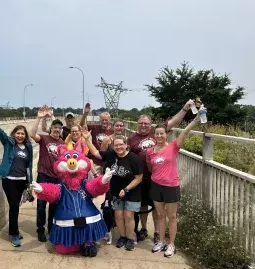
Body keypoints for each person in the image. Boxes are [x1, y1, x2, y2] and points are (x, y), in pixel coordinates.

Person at [128, 99, 195, 243]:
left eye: (146, 123)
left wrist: (184, 108)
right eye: (141, 123)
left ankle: (158, 232)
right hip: (141, 178)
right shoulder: (131, 139)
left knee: (156, 207)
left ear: (150, 124)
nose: (144, 125)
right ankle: (144, 228)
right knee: (143, 205)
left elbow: (174, 121)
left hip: (156, 178)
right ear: (137, 125)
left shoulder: (157, 132)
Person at [148, 113, 203, 257]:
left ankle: (171, 244)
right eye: (157, 134)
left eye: (162, 133)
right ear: (153, 135)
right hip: (156, 185)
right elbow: (150, 167)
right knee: (160, 215)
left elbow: (185, 132)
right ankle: (161, 241)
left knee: (171, 216)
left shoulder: (173, 146)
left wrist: (195, 120)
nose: (159, 136)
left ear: (166, 134)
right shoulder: (150, 152)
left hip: (171, 185)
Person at [0, 107, 33, 247]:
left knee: (17, 207)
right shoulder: (9, 143)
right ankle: (14, 234)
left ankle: (14, 230)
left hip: (22, 181)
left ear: (25, 136)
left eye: (23, 134)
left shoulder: (28, 147)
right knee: (14, 206)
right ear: (14, 134)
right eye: (18, 133)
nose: (20, 135)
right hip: (9, 181)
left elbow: (30, 165)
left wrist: (30, 182)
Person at [84, 131, 143, 251]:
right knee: (119, 215)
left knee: (128, 215)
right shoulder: (112, 155)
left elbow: (138, 178)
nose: (118, 147)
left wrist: (126, 189)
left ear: (126, 145)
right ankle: (122, 237)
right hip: (115, 192)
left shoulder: (134, 159)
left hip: (132, 191)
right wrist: (87, 139)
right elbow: (95, 153)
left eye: (121, 144)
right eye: (116, 145)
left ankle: (130, 239)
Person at [30, 106, 66, 242]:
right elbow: (32, 134)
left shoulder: (62, 143)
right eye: (55, 127)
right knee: (41, 205)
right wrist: (39, 117)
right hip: (44, 175)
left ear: (61, 130)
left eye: (59, 128)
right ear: (51, 129)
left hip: (57, 178)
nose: (57, 129)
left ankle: (51, 228)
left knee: (54, 205)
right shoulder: (45, 139)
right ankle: (40, 229)